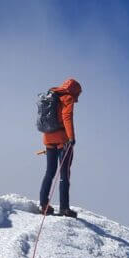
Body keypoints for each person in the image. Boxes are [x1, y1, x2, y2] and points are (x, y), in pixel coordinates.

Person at [39, 78, 82, 218]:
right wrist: (71, 138)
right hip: (63, 140)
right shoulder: (67, 97)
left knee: (49, 172)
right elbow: (67, 117)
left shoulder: (52, 94)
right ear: (74, 90)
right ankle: (64, 208)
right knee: (64, 174)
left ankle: (44, 204)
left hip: (47, 138)